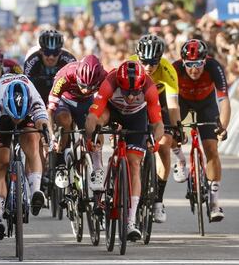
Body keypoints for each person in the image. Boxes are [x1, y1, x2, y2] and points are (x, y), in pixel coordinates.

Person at [85, 61, 164, 240]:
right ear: (119, 85)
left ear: (141, 86)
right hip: (112, 111)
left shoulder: (149, 88)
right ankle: (101, 175)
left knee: (134, 163)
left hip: (137, 116)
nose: (130, 97)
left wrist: (155, 140)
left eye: (135, 92)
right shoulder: (109, 83)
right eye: (126, 92)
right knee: (98, 122)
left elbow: (158, 123)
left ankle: (130, 221)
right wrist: (91, 137)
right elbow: (92, 115)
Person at [0, 73, 51, 240]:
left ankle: (36, 191)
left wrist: (46, 138)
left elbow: (43, 122)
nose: (16, 120)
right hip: (2, 117)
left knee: (33, 141)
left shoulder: (33, 96)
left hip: (26, 114)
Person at [172, 39, 230, 222]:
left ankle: (214, 202)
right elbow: (169, 102)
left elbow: (224, 101)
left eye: (198, 64)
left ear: (205, 61)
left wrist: (222, 128)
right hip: (182, 102)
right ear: (183, 63)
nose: (194, 69)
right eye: (189, 64)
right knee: (170, 128)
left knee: (212, 150)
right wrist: (175, 128)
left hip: (206, 104)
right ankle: (180, 160)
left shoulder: (214, 67)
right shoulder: (175, 68)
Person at [129, 34, 182, 223]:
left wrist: (177, 127)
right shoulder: (130, 65)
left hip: (159, 103)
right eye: (145, 62)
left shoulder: (168, 70)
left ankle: (158, 199)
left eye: (154, 62)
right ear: (138, 58)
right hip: (136, 101)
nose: (149, 67)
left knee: (165, 143)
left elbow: (173, 105)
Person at [47, 55, 107, 190]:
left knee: (95, 126)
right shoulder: (65, 75)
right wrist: (52, 137)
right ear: (77, 77)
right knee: (65, 120)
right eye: (82, 85)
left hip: (86, 103)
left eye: (91, 86)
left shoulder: (104, 77)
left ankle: (97, 166)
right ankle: (61, 163)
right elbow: (50, 111)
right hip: (65, 102)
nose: (86, 90)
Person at [24, 30, 76, 105]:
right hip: (38, 91)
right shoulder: (32, 60)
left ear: (60, 52)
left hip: (61, 95)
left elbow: (74, 89)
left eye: (55, 53)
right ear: (41, 51)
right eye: (47, 53)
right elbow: (27, 86)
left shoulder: (69, 60)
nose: (51, 57)